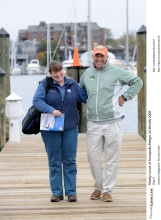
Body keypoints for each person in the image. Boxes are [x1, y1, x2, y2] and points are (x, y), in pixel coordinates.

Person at [79, 45, 143, 202]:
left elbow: (137, 81)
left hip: (114, 122)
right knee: (93, 159)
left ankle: (107, 190)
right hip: (93, 123)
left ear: (106, 57)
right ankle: (98, 187)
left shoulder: (117, 72)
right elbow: (80, 91)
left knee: (111, 159)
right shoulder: (87, 73)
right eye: (96, 56)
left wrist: (125, 97)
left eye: (102, 56)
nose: (99, 59)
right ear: (92, 57)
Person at [33, 60, 87, 202]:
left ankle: (71, 192)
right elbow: (37, 101)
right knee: (54, 161)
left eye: (60, 70)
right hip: (50, 127)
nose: (58, 74)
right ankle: (57, 192)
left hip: (70, 126)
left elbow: (86, 97)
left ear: (63, 70)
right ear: (51, 73)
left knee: (70, 160)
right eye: (54, 72)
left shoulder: (72, 84)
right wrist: (51, 110)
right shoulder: (45, 84)